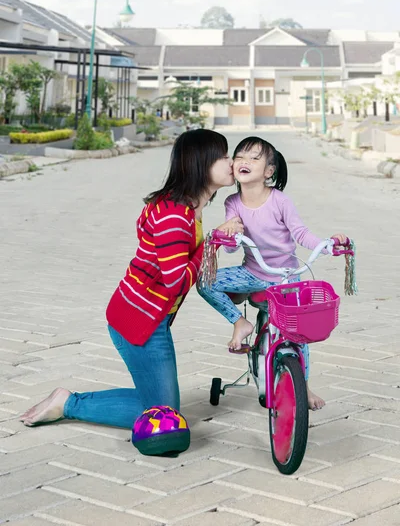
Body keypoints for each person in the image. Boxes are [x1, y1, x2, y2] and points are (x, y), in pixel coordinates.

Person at [20, 130, 243, 429]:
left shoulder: (187, 208)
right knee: (166, 418)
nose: (232, 162)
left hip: (148, 316)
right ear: (200, 163)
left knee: (163, 410)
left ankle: (80, 401)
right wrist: (210, 243)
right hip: (140, 322)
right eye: (224, 156)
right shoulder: (174, 215)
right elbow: (176, 282)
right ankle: (69, 403)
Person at [198, 136, 348, 411]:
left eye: (254, 158)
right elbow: (232, 249)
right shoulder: (233, 201)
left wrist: (327, 245)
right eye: (240, 156)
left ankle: (303, 384)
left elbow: (300, 234)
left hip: (287, 278)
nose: (244, 161)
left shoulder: (280, 201)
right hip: (253, 272)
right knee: (206, 282)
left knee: (295, 335)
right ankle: (240, 323)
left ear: (269, 171)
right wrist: (228, 233)